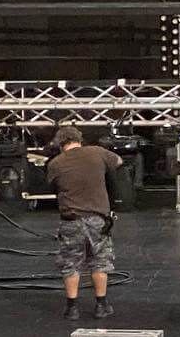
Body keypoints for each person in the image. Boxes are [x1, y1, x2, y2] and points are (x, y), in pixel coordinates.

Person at [45, 126, 122, 320]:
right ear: (80, 139)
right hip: (98, 219)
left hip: (71, 220)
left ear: (61, 144)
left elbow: (52, 184)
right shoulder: (97, 152)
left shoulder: (56, 163)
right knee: (100, 261)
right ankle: (101, 305)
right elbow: (119, 162)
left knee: (70, 263)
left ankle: (72, 308)